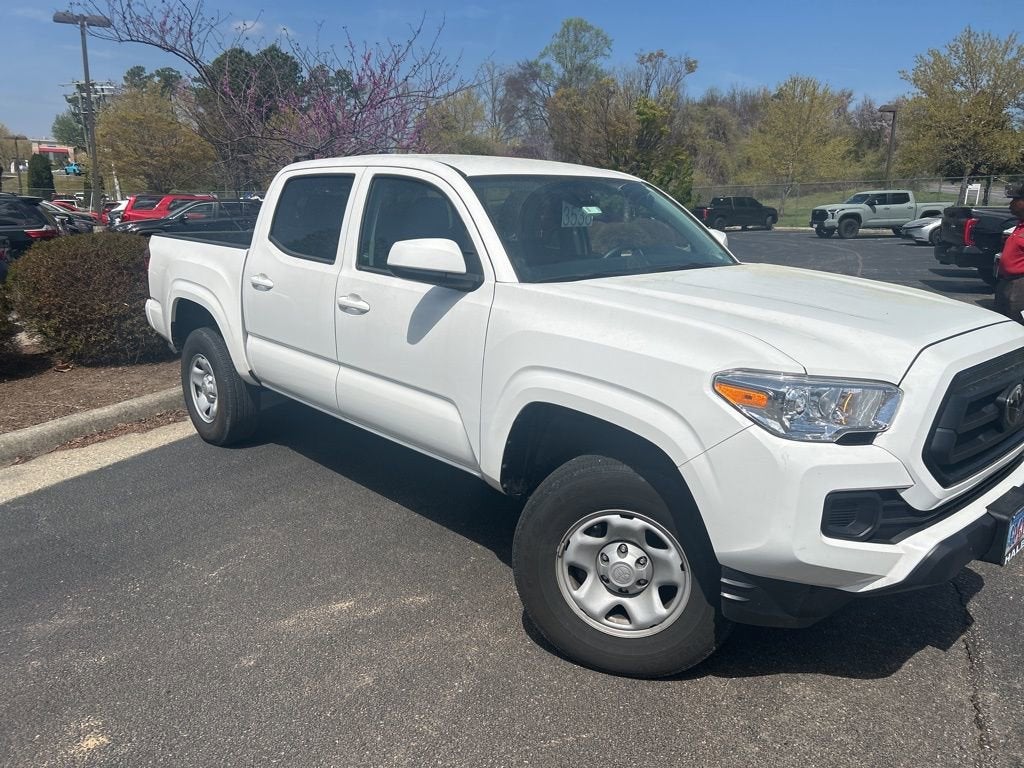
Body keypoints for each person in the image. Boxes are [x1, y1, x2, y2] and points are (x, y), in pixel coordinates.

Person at [993, 182, 1024, 323]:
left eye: (1015, 200)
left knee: (1015, 326)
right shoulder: (1019, 224)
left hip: (1020, 285)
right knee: (1001, 323)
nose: (1010, 205)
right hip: (1006, 281)